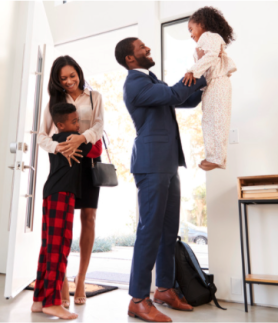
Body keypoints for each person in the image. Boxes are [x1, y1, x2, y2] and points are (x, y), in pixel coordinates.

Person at [115, 37, 207, 322]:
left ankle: (164, 288)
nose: (148, 49)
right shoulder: (135, 84)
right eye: (142, 47)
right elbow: (174, 95)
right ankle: (138, 299)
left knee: (168, 231)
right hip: (151, 165)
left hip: (167, 164)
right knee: (150, 231)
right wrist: (200, 67)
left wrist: (206, 78)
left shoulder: (152, 82)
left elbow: (185, 98)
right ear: (130, 59)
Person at [38, 56, 104, 306]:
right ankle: (62, 285)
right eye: (62, 78)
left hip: (88, 163)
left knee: (89, 218)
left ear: (79, 72)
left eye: (71, 76)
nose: (68, 81)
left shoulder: (94, 96)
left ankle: (81, 281)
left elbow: (99, 126)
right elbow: (41, 136)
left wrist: (81, 137)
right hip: (64, 165)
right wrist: (59, 148)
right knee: (61, 225)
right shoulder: (54, 102)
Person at [31, 103, 102, 320]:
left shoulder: (56, 140)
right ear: (60, 125)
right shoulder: (72, 138)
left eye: (78, 121)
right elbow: (97, 148)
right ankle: (52, 303)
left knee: (48, 247)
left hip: (52, 192)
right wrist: (84, 134)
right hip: (62, 194)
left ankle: (39, 300)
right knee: (59, 246)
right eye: (74, 122)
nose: (78, 126)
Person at [183, 6, 237, 171]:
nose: (191, 34)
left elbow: (212, 55)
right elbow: (210, 58)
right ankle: (214, 156)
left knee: (217, 120)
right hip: (212, 84)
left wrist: (193, 70)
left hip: (218, 82)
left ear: (202, 24)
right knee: (209, 121)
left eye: (191, 29)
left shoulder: (209, 36)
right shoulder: (207, 39)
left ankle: (217, 158)